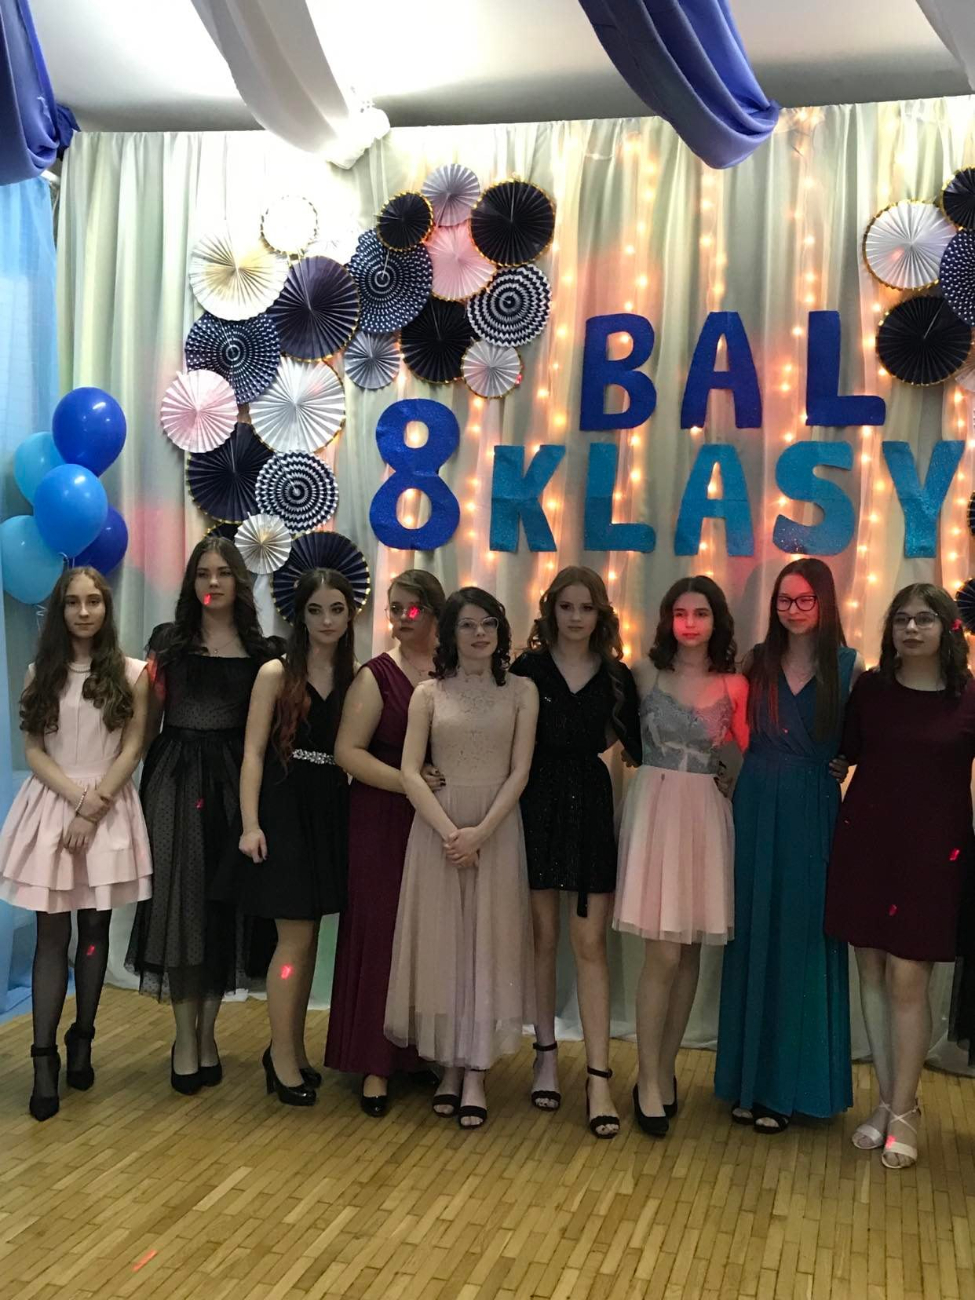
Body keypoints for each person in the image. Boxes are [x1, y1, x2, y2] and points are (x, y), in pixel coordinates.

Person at [825, 584, 975, 1169]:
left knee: (908, 979)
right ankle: (886, 1102)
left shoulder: (968, 696)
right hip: (867, 843)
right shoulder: (870, 689)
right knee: (870, 968)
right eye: (902, 620)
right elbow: (845, 755)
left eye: (924, 619)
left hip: (934, 855)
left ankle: (906, 1109)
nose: (911, 629)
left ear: (948, 628)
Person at [125, 537, 279, 1094]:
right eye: (202, 573)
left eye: (223, 573)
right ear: (191, 583)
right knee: (179, 907)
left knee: (220, 909)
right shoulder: (168, 644)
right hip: (173, 781)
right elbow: (144, 727)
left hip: (235, 784)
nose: (213, 582)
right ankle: (183, 1039)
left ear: (239, 581)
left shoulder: (263, 652)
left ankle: (207, 1033)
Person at [715, 558, 862, 1132]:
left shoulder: (849, 666)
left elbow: (862, 740)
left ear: (824, 603)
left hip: (813, 811)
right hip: (756, 805)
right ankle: (747, 1082)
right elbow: (721, 722)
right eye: (784, 600)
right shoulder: (756, 661)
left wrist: (845, 762)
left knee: (802, 942)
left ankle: (788, 1089)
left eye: (805, 600)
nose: (794, 610)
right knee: (754, 936)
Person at [0, 567, 152, 1120]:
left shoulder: (134, 673)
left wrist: (96, 805)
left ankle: (82, 1035)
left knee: (93, 929)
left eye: (93, 601)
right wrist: (78, 802)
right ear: (59, 611)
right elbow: (34, 750)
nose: (84, 612)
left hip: (108, 807)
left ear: (106, 608)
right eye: (72, 602)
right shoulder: (39, 673)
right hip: (53, 806)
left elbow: (133, 747)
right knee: (50, 933)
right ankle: (43, 1056)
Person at [384, 587, 539, 1129]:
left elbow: (521, 771)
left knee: (488, 946)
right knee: (445, 947)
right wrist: (452, 834)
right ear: (450, 632)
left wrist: (480, 834)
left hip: (496, 828)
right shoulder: (428, 693)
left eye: (488, 624)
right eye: (468, 624)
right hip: (439, 831)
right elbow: (409, 771)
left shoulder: (521, 691)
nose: (479, 634)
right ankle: (449, 1064)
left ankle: (476, 1070)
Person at [509, 566, 640, 1138]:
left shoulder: (616, 675)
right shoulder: (526, 669)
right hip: (534, 800)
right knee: (542, 938)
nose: (576, 617)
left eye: (587, 607)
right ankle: (544, 1055)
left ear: (601, 613)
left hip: (589, 805)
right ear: (551, 610)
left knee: (590, 945)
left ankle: (598, 1077)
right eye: (567, 606)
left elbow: (635, 744)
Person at [616, 577, 749, 1138]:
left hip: (705, 815)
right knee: (663, 956)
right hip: (656, 810)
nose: (690, 623)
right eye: (680, 612)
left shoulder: (736, 684)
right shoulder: (642, 674)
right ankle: (646, 1077)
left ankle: (665, 1070)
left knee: (689, 951)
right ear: (668, 619)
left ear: (717, 620)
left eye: (701, 613)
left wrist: (735, 777)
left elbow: (752, 750)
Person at [232, 569, 355, 1106]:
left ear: (350, 615)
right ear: (299, 615)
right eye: (315, 610)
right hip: (283, 810)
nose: (326, 620)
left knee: (310, 941)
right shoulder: (275, 673)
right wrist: (250, 823)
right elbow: (253, 752)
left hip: (330, 810)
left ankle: (293, 1048)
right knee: (293, 941)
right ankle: (280, 1056)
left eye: (337, 609)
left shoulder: (355, 676)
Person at [326, 569, 446, 1117]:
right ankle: (374, 1062)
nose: (399, 618)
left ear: (434, 612)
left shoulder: (455, 672)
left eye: (410, 608)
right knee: (382, 935)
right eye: (393, 608)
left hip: (439, 821)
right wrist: (410, 783)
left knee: (428, 937)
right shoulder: (375, 675)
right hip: (382, 818)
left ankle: (417, 1054)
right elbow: (348, 752)